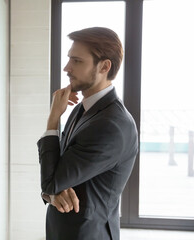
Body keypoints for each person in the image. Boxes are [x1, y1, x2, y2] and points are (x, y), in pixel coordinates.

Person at [37, 27, 138, 240]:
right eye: (69, 60)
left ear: (104, 66)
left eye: (77, 61)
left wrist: (53, 118)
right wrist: (51, 193)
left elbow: (52, 181)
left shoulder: (112, 124)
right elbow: (55, 175)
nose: (67, 68)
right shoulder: (82, 108)